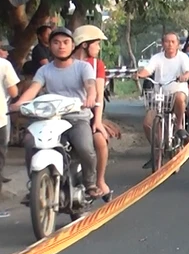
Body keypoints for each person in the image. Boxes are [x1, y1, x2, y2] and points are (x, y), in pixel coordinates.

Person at [11, 27, 100, 198]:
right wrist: (20, 103)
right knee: (30, 142)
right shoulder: (44, 70)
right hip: (49, 119)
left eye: (66, 42)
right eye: (56, 42)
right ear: (50, 46)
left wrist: (90, 97)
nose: (61, 46)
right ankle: (35, 186)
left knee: (85, 148)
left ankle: (90, 183)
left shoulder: (83, 67)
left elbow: (91, 86)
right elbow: (34, 88)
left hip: (76, 118)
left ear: (73, 45)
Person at [136, 32, 189, 164]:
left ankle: (179, 126)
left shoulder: (183, 58)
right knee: (147, 123)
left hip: (178, 92)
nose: (170, 44)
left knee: (179, 97)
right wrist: (140, 75)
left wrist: (185, 77)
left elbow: (188, 72)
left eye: (173, 42)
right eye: (167, 41)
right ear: (163, 44)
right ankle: (157, 147)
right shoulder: (157, 58)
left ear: (178, 44)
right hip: (160, 96)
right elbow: (148, 70)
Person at [72, 25, 114, 199]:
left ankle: (99, 181)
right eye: (96, 44)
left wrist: (98, 121)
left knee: (100, 141)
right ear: (84, 44)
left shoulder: (97, 65)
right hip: (63, 113)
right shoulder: (63, 61)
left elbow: (97, 95)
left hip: (87, 115)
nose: (98, 48)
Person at [0, 39, 20, 185]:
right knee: (1, 147)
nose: (7, 53)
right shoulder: (4, 65)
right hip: (0, 115)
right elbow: (13, 92)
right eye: (4, 49)